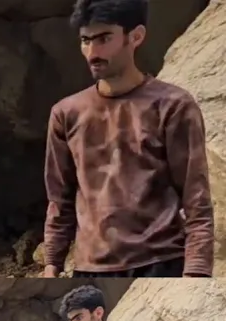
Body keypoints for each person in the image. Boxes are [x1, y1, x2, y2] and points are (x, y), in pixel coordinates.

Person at [41, 0, 215, 279]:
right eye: (86, 41)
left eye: (104, 39)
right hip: (90, 268)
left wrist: (196, 272)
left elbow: (196, 200)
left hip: (162, 262)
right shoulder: (66, 114)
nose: (92, 52)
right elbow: (59, 200)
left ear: (136, 36)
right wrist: (52, 264)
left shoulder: (173, 106)